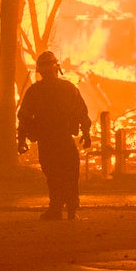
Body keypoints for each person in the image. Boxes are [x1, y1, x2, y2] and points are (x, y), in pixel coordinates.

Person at [17, 52, 90, 220]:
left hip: (47, 141)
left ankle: (56, 208)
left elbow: (24, 118)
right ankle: (70, 209)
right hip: (63, 140)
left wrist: (21, 140)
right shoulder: (68, 88)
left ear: (40, 71)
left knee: (54, 175)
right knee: (69, 174)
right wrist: (86, 134)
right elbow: (81, 113)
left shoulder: (35, 91)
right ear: (57, 68)